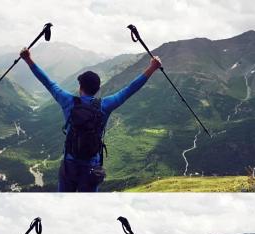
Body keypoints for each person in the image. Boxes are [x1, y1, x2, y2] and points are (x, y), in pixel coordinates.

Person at [20, 47, 162, 192]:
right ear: (98, 89)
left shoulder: (68, 101)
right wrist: (152, 68)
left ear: (80, 87)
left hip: (70, 165)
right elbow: (130, 89)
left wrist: (28, 59)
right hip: (91, 168)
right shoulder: (105, 105)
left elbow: (48, 82)